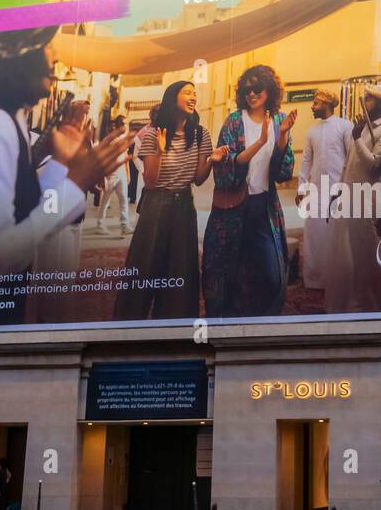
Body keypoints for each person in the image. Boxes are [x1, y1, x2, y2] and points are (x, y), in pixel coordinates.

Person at [0, 29, 134, 327]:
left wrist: (62, 163)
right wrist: (77, 183)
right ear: (17, 56)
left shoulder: (8, 120)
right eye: (47, 48)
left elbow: (26, 214)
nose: (55, 59)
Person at [113, 82, 226, 321]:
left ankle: (175, 325)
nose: (193, 96)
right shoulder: (155, 133)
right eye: (187, 92)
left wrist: (212, 161)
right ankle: (128, 324)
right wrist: (161, 151)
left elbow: (197, 178)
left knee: (181, 269)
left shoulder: (200, 134)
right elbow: (151, 181)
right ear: (172, 98)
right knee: (144, 266)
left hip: (184, 205)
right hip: (156, 204)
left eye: (195, 93)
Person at [202, 65, 296, 318]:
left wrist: (283, 137)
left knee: (272, 274)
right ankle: (229, 329)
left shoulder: (279, 120)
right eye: (247, 89)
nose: (251, 93)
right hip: (232, 210)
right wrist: (259, 143)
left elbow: (284, 170)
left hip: (264, 207)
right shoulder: (234, 121)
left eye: (257, 88)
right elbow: (223, 166)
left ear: (270, 90)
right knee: (228, 272)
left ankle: (262, 323)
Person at [324, 84, 381, 313]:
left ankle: (373, 307)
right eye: (364, 98)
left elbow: (374, 164)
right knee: (349, 254)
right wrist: (338, 192)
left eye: (370, 100)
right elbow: (349, 164)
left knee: (369, 254)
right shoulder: (362, 127)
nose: (364, 103)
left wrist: (357, 138)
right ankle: (352, 303)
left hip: (370, 200)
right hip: (350, 196)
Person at [297, 88, 352, 290]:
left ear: (327, 104)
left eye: (316, 103)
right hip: (316, 191)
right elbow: (306, 162)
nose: (312, 107)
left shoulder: (345, 127)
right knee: (314, 234)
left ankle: (337, 279)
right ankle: (314, 279)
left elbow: (351, 158)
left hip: (339, 191)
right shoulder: (312, 131)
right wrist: (301, 188)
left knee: (337, 236)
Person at [97, 115, 134, 235]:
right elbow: (103, 158)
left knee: (123, 199)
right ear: (119, 126)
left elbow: (126, 158)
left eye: (127, 124)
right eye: (124, 124)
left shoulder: (125, 140)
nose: (126, 126)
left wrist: (127, 174)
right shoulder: (111, 141)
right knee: (105, 201)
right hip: (110, 174)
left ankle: (124, 225)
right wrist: (102, 176)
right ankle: (100, 225)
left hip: (121, 173)